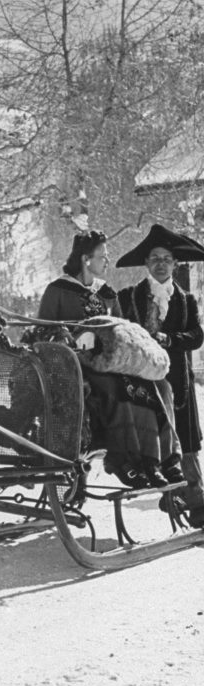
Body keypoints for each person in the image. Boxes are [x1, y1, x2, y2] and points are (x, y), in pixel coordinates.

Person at [37, 229, 181, 489]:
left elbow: (122, 330)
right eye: (102, 256)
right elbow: (41, 334)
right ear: (85, 259)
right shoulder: (58, 291)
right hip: (78, 367)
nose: (106, 260)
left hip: (112, 364)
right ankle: (128, 462)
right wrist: (70, 338)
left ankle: (160, 460)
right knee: (118, 389)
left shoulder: (106, 293)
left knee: (158, 387)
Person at [116, 224, 204, 528]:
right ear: (146, 264)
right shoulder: (129, 297)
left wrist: (171, 340)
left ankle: (198, 506)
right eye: (155, 258)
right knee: (157, 443)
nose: (161, 263)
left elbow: (196, 336)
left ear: (175, 264)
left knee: (187, 446)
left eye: (166, 258)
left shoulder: (186, 300)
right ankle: (170, 496)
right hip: (144, 384)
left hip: (179, 382)